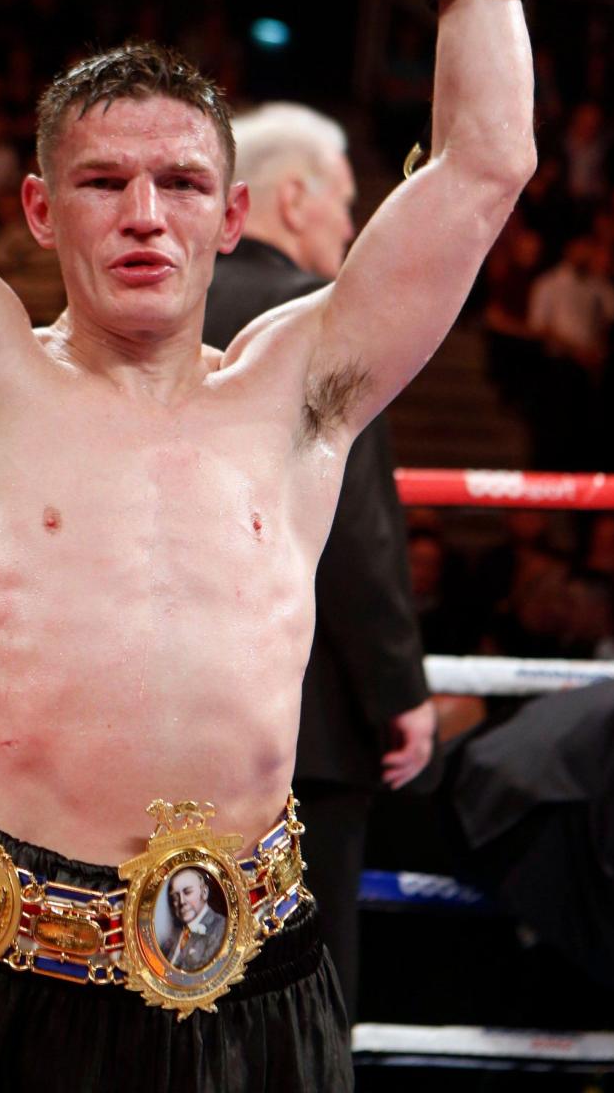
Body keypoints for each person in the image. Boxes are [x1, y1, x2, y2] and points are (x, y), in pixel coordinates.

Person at [0, 0, 535, 1093]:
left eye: (179, 186)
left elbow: (488, 164)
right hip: (6, 974)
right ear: (43, 210)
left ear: (232, 215)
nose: (145, 216)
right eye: (106, 183)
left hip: (249, 964)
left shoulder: (298, 393)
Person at [203, 104, 436, 1017]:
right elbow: (354, 532)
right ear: (292, 198)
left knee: (170, 979)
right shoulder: (319, 321)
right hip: (306, 727)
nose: (350, 228)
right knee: (301, 994)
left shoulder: (150, 308)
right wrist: (398, 691)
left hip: (158, 718)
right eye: (344, 205)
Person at [162, 868, 229, 971]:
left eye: (187, 892)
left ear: (204, 892)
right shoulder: (177, 934)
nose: (182, 902)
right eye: (175, 897)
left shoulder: (222, 927)